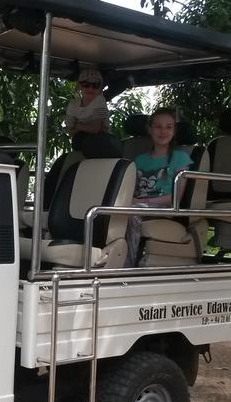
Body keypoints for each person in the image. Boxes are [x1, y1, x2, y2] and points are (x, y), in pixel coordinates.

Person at [125, 108, 194, 267]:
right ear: (149, 129)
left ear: (174, 131)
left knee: (133, 212)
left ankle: (128, 264)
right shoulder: (140, 159)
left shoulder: (181, 158)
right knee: (112, 208)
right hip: (139, 205)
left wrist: (141, 201)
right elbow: (131, 188)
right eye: (158, 126)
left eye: (168, 127)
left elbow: (175, 197)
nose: (163, 131)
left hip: (165, 207)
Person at [65, 68, 110, 138]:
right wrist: (89, 127)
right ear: (79, 86)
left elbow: (95, 129)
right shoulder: (73, 104)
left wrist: (76, 125)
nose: (91, 88)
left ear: (100, 88)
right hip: (81, 145)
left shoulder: (100, 100)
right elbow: (70, 131)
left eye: (95, 85)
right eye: (86, 84)